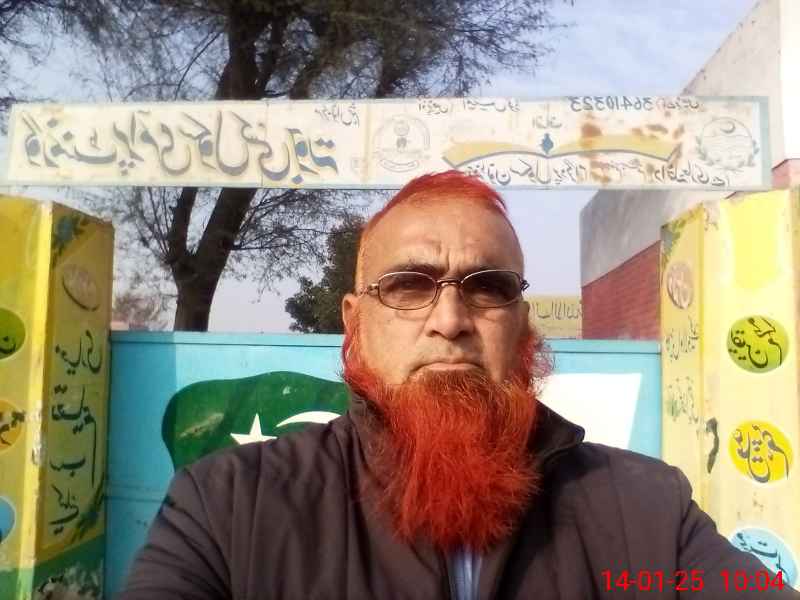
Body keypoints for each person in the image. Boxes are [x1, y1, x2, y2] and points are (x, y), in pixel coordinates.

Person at [120, 171, 799, 599]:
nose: (450, 320)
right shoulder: (228, 508)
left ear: (523, 324)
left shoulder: (646, 513)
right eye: (408, 285)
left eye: (489, 288)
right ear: (355, 323)